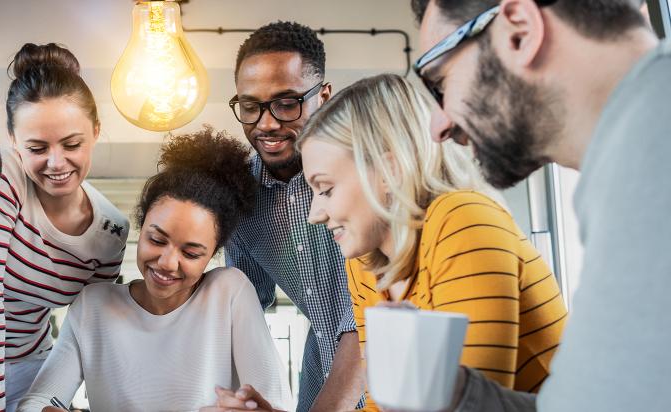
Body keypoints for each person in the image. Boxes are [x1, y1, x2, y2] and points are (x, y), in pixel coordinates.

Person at [206, 74, 569, 412]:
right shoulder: (364, 265)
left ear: (389, 171)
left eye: (327, 189)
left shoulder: (463, 220)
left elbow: (472, 402)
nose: (315, 213)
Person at [407, 0, 670, 409]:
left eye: (440, 81)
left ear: (520, 31)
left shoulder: (653, 155)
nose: (439, 126)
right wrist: (457, 395)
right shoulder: (634, 146)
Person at [17, 128, 292, 412]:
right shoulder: (93, 306)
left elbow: (273, 403)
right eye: (157, 240)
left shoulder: (228, 291)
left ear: (212, 253)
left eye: (191, 252)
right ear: (141, 225)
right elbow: (35, 403)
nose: (167, 263)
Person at [0, 43, 129, 412]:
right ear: (14, 142)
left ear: (96, 131)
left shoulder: (111, 231)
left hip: (31, 364)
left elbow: (90, 327)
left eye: (72, 144)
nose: (56, 163)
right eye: (37, 148)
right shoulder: (4, 174)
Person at [225, 21, 364, 411]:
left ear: (324, 97)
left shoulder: (364, 172)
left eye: (287, 103)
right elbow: (245, 308)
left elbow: (373, 313)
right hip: (319, 380)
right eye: (250, 107)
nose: (266, 124)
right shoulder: (240, 200)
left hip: (399, 376)